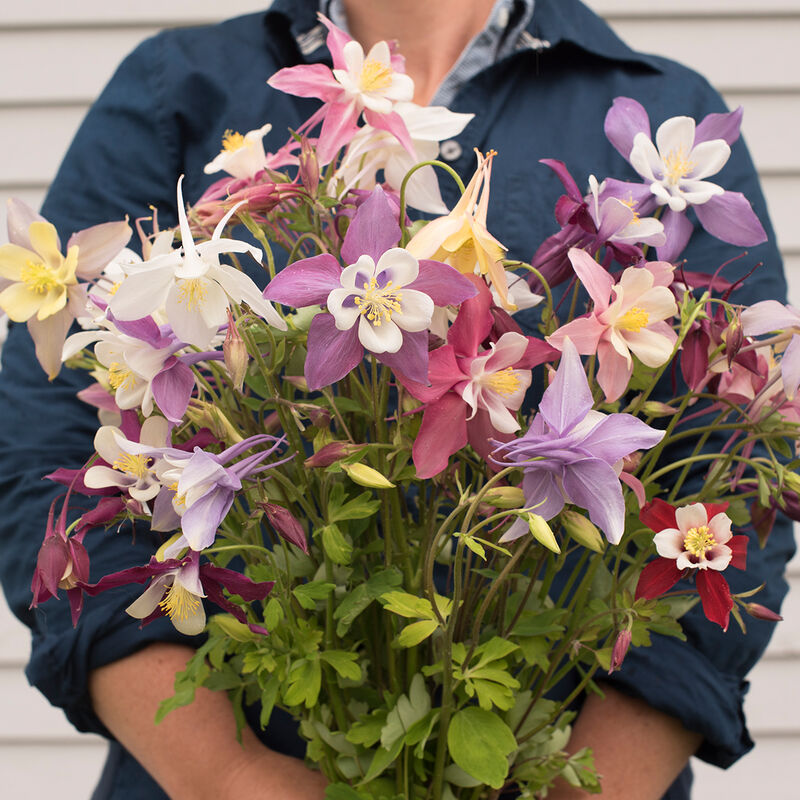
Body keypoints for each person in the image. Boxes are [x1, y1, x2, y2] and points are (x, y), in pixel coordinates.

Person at [0, 0, 793, 798]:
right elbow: (44, 445)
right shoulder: (181, 87)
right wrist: (228, 774)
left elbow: (741, 460)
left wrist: (588, 791)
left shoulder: (658, 99)